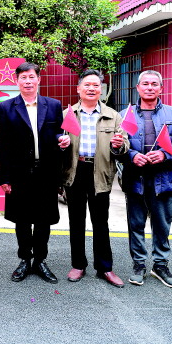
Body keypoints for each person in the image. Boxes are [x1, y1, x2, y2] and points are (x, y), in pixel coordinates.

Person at [0, 62, 70, 283]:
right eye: (23, 78)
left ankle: (40, 260)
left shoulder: (53, 105)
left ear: (39, 79)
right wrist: (5, 176)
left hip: (46, 172)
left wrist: (62, 139)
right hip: (19, 173)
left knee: (43, 220)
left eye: (31, 77)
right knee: (21, 220)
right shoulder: (6, 107)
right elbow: (4, 145)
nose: (28, 81)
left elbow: (59, 133)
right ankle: (24, 260)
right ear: (17, 81)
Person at [121, 70, 172, 288]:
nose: (149, 87)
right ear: (138, 88)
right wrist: (132, 155)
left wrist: (165, 154)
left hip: (164, 179)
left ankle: (160, 265)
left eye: (154, 84)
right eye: (145, 84)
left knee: (162, 225)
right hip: (136, 179)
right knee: (136, 225)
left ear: (161, 88)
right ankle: (139, 265)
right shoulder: (125, 115)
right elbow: (118, 147)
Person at [61, 69, 129, 288]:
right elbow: (57, 142)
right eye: (87, 85)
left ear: (101, 90)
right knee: (76, 221)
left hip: (100, 172)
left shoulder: (113, 115)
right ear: (78, 89)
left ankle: (105, 267)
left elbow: (124, 146)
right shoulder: (67, 114)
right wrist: (60, 145)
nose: (91, 89)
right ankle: (78, 265)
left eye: (96, 85)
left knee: (101, 222)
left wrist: (119, 145)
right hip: (75, 171)